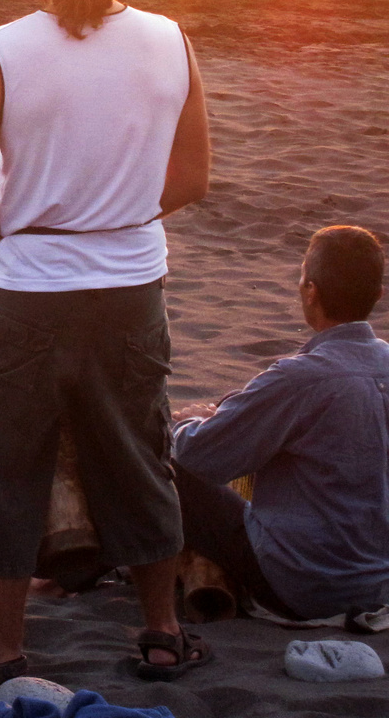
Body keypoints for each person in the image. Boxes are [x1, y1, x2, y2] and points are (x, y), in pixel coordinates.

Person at [0, 0, 211, 698]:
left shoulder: (4, 50)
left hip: (29, 297)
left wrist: (6, 235)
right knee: (138, 456)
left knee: (3, 468)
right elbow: (190, 176)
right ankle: (161, 635)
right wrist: (112, 216)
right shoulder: (168, 38)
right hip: (132, 287)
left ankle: (1, 655)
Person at [172, 225, 389, 621]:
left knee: (161, 452)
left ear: (311, 291)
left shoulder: (301, 377)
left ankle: (75, 573)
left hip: (302, 583)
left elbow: (200, 455)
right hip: (377, 582)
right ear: (378, 295)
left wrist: (185, 424)